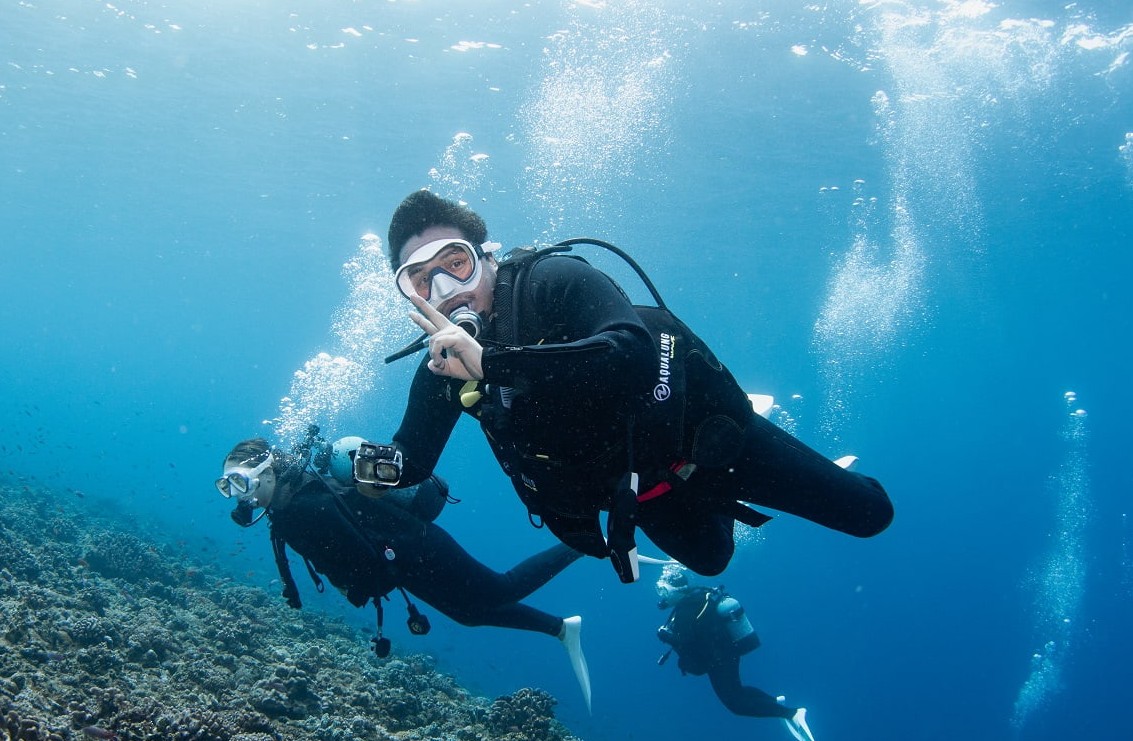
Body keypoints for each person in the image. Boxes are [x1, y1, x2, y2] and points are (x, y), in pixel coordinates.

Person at [366, 189, 894, 581]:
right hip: (647, 486)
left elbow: (631, 354)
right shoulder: (442, 369)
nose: (445, 289)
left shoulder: (552, 281)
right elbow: (413, 461)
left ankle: (771, 438)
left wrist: (492, 363)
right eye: (421, 280)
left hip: (705, 437)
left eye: (455, 264)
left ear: (486, 259)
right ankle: (716, 505)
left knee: (870, 515)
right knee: (713, 561)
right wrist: (358, 468)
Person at [216, 432, 593, 711]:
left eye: (239, 483)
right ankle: (561, 628)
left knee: (501, 590)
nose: (238, 496)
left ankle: (584, 543)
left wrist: (357, 588)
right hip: (405, 565)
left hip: (421, 548)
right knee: (468, 614)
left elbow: (362, 558)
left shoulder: (306, 507)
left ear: (267, 473)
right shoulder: (285, 510)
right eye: (227, 487)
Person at [652, 562, 820, 741]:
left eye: (663, 590)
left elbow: (692, 648)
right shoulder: (694, 600)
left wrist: (669, 639)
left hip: (719, 658)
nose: (661, 595)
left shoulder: (688, 609)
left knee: (736, 704)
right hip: (724, 654)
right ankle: (775, 702)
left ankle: (791, 714)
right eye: (659, 590)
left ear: (676, 590)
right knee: (738, 691)